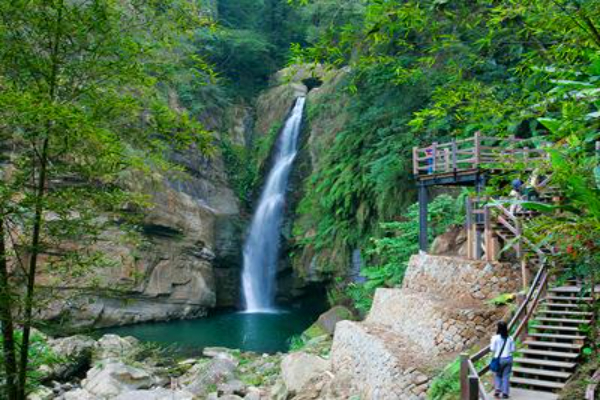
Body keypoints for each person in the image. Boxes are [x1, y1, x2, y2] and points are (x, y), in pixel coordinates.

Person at [491, 321, 516, 399]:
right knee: (506, 376)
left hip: (499, 359)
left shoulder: (495, 338)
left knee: (498, 375)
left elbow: (492, 349)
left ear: (498, 328)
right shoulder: (510, 338)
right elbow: (513, 349)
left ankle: (498, 389)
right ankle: (505, 393)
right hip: (508, 359)